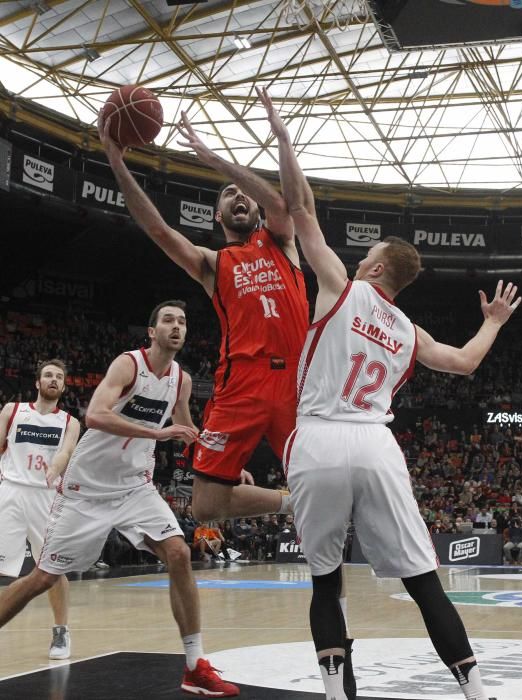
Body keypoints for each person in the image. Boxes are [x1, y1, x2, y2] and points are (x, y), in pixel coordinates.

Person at [259, 87, 519, 700]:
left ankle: (331, 693)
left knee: (325, 581)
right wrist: (495, 322)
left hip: (319, 438)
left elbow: (299, 209)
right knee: (425, 581)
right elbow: (463, 363)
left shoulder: (339, 288)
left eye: (366, 255)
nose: (356, 259)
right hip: (377, 445)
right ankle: (476, 691)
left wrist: (285, 140)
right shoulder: (407, 330)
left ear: (375, 269)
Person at [0, 301, 239, 697]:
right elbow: (95, 414)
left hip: (135, 487)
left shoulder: (180, 379)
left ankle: (194, 664)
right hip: (86, 490)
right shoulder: (128, 364)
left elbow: (188, 429)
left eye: (182, 321)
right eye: (167, 320)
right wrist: (157, 435)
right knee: (40, 578)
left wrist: (226, 464)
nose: (176, 327)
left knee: (179, 553)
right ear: (152, 331)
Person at [98, 110, 309, 523]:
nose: (239, 197)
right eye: (228, 195)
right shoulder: (213, 263)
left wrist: (212, 158)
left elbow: (280, 202)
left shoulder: (281, 239)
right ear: (218, 216)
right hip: (240, 381)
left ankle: (326, 550)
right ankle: (291, 501)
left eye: (243, 193)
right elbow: (159, 230)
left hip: (299, 381)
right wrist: (117, 161)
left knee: (324, 481)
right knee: (206, 508)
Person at [0, 359, 80, 659]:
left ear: (63, 385)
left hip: (46, 498)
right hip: (9, 492)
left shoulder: (69, 421)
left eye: (59, 377)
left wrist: (55, 469)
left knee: (53, 568)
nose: (53, 380)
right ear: (37, 382)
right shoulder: (13, 411)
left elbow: (67, 452)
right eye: (48, 375)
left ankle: (61, 631)